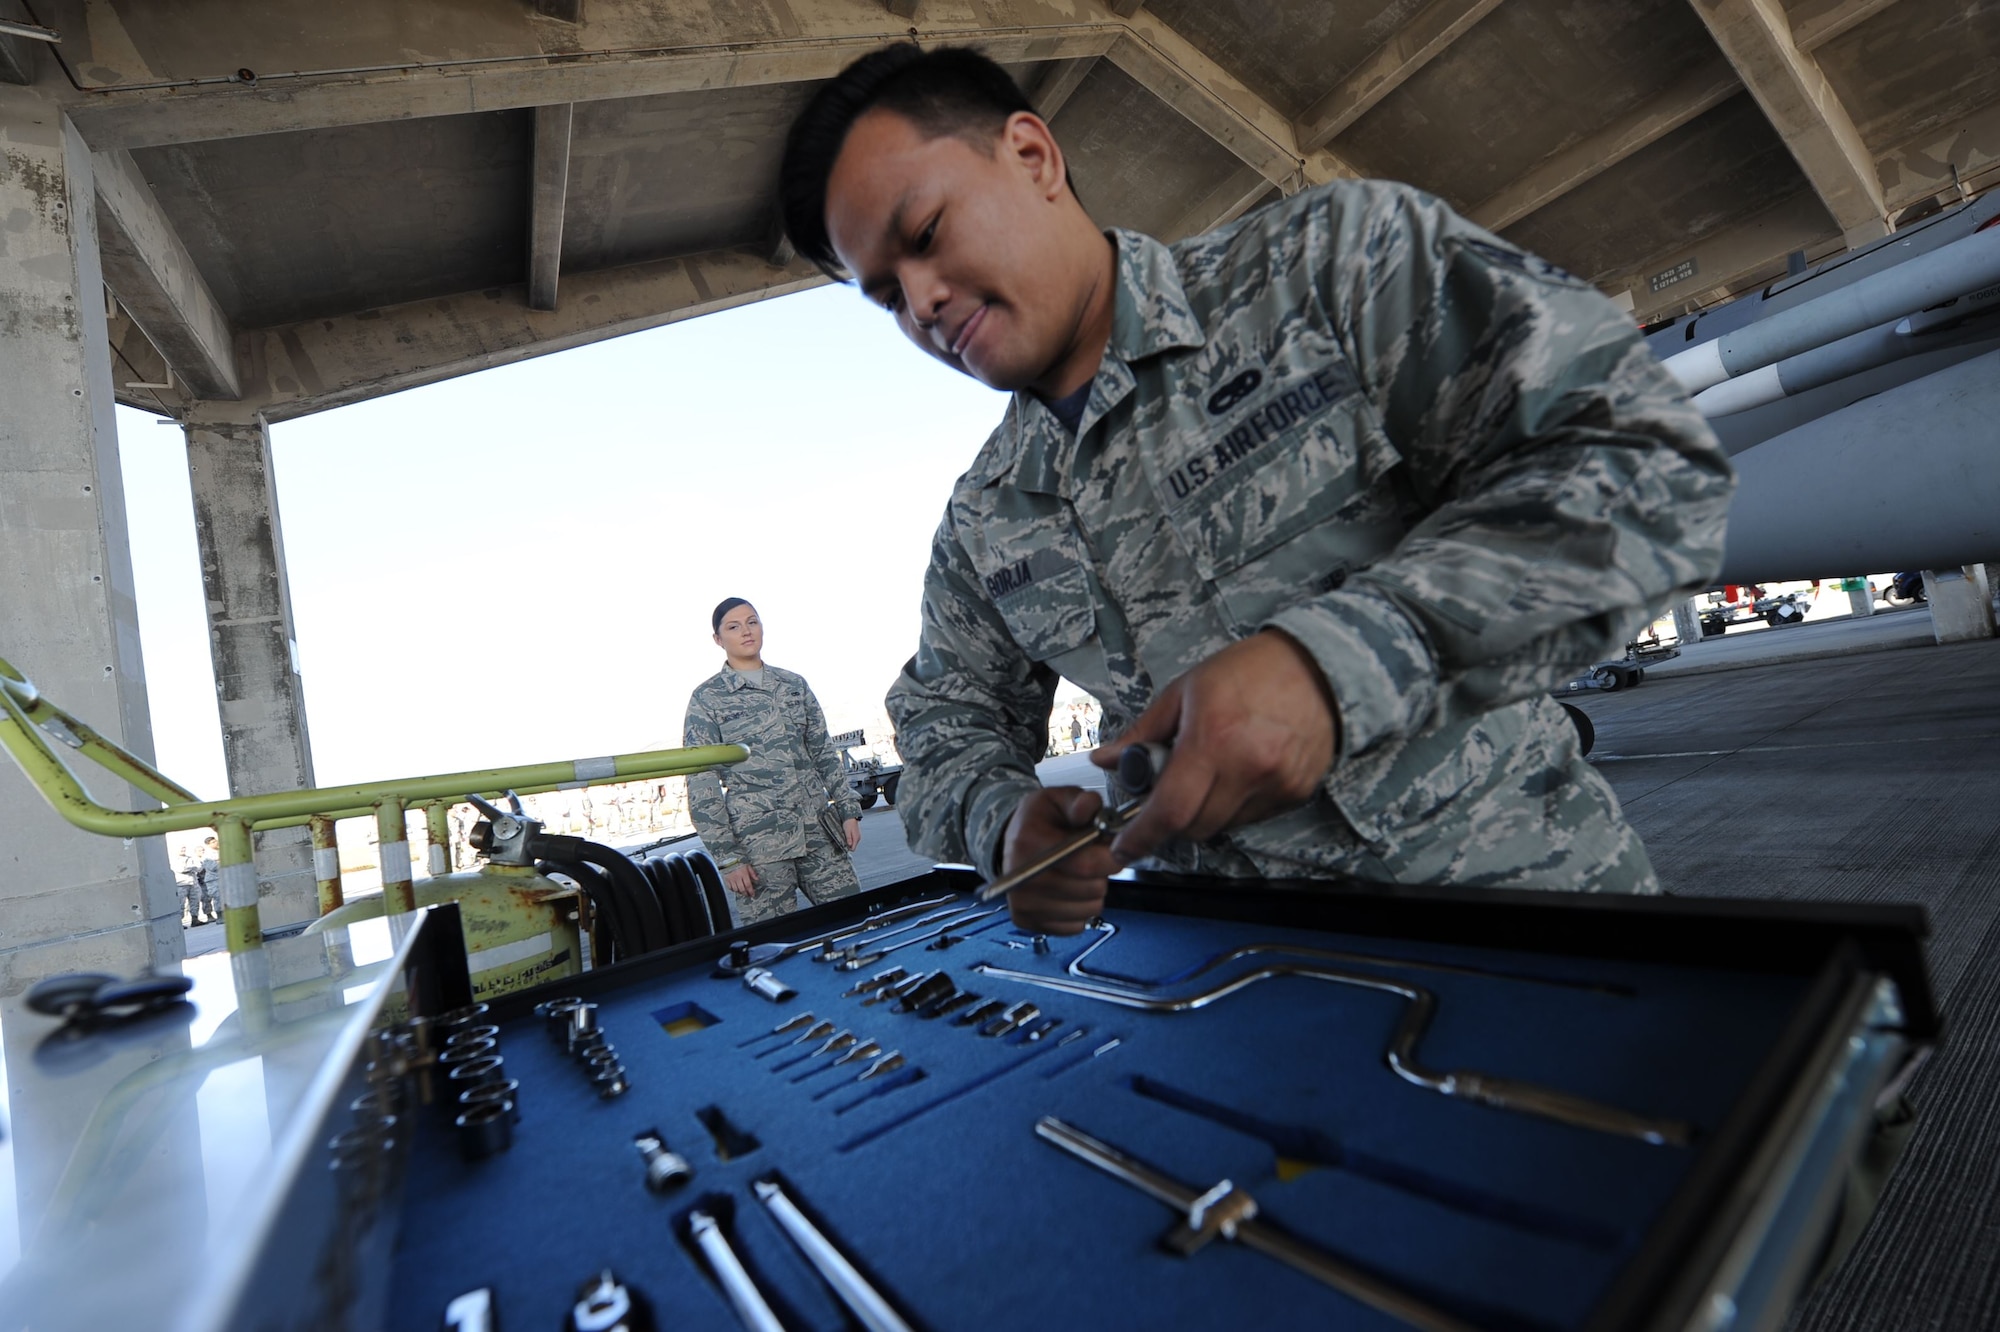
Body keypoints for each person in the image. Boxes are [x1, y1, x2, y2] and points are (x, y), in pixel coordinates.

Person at [778, 46, 1734, 935]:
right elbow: (948, 723)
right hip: (1239, 979)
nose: (924, 302)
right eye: (889, 295)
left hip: (1529, 925)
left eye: (927, 234)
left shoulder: (1326, 269)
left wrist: (1335, 667)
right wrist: (1006, 825)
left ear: (1032, 156)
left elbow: (1640, 460)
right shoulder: (989, 511)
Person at [683, 598, 863, 925]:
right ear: (718, 639)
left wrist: (848, 810)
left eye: (752, 622)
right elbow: (701, 783)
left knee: (854, 923)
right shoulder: (707, 699)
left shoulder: (793, 686)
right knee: (774, 946)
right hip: (760, 850)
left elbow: (823, 752)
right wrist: (729, 859)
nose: (746, 631)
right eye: (733, 626)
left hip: (819, 834)